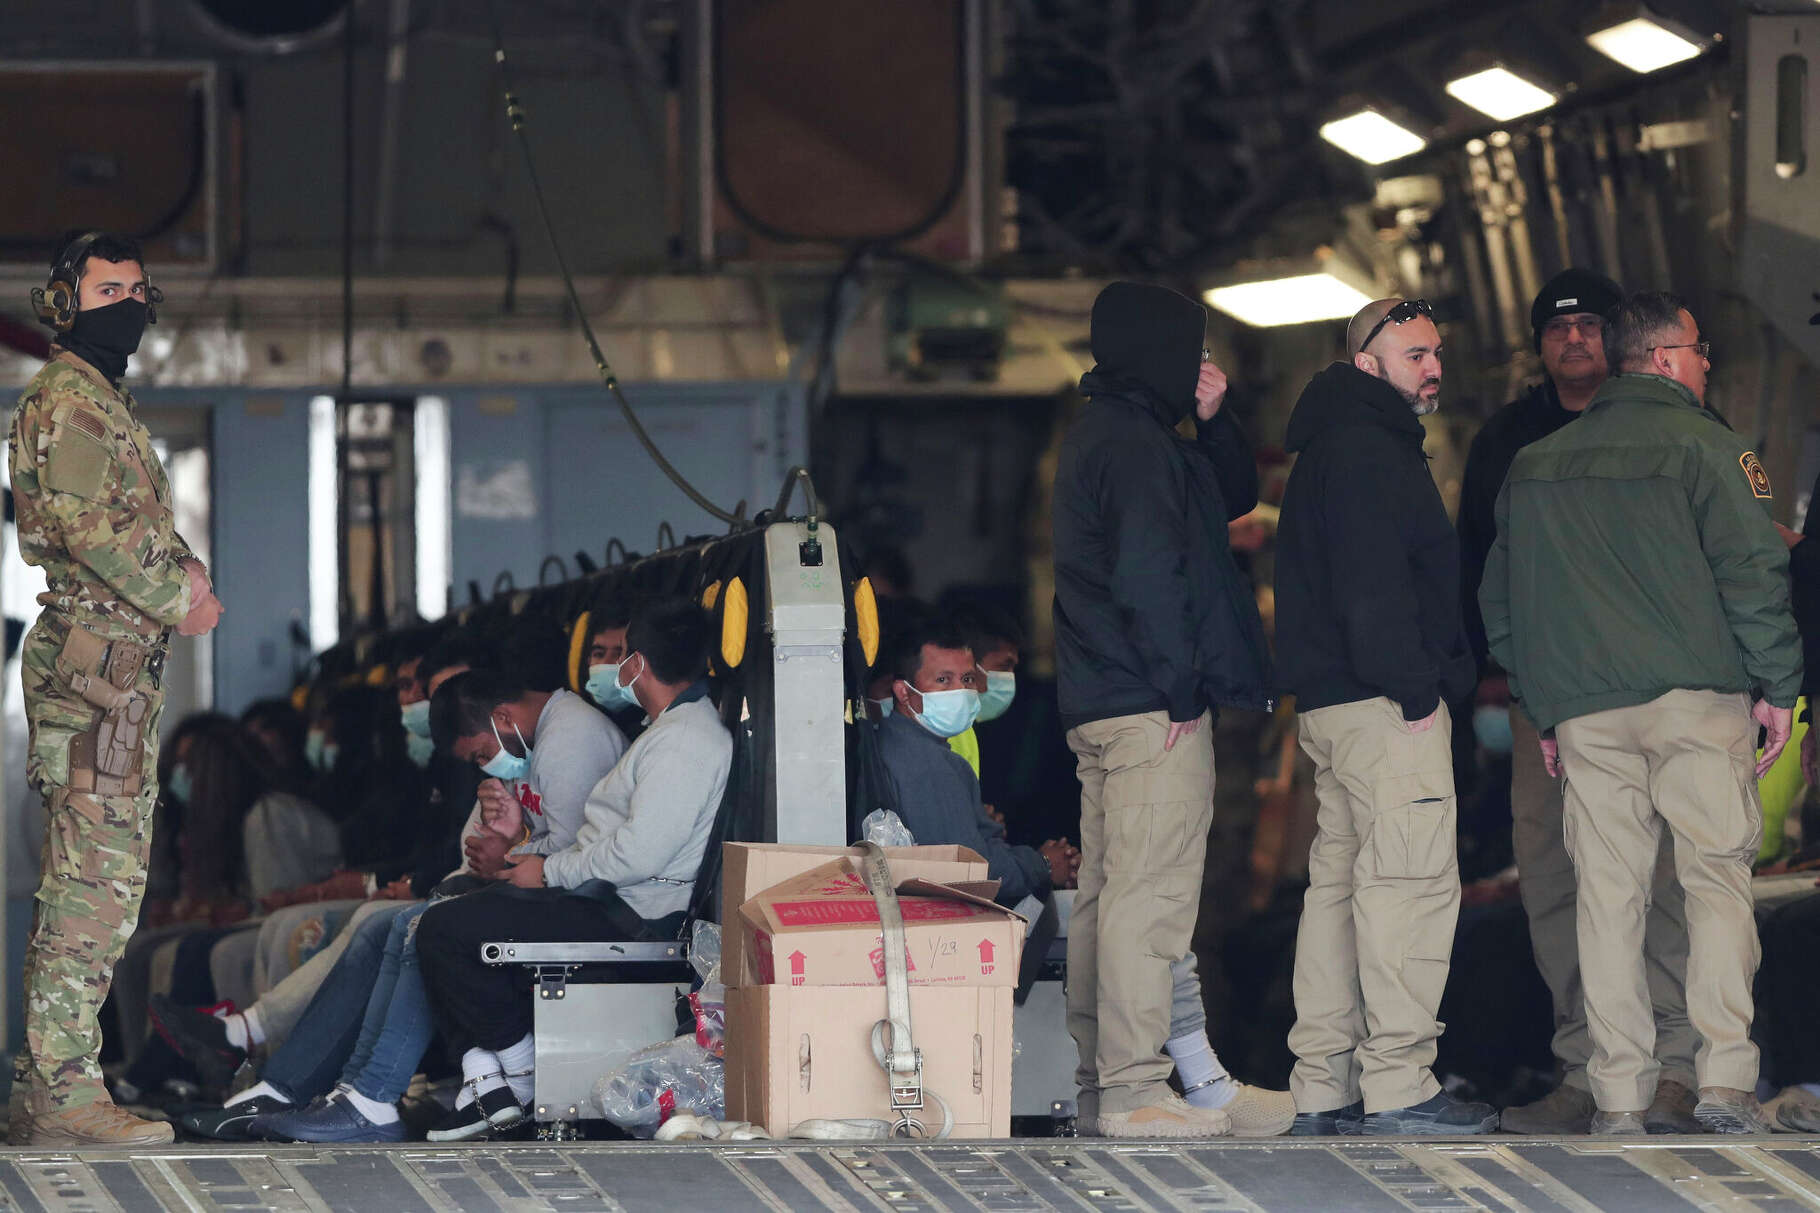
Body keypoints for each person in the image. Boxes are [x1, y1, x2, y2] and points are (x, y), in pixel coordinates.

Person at [1481, 290, 1802, 1134]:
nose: (1706, 363)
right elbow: (1754, 576)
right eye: (1699, 349)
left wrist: (1544, 706)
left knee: (1606, 897)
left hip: (1589, 716)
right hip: (1696, 702)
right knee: (1714, 883)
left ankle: (1619, 1094)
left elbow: (1502, 604)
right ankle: (1723, 1078)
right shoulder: (1711, 449)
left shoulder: (1535, 464)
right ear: (1664, 358)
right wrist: (1779, 688)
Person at [1458, 271, 1700, 1135]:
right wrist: (1495, 673)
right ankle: (1587, 1067)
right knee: (1555, 875)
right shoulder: (1507, 441)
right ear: (1538, 344)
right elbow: (1477, 563)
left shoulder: (1675, 423)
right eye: (1557, 328)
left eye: (1590, 324)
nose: (1573, 339)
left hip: (1655, 686)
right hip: (1546, 692)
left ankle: (1673, 1069)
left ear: (1619, 336)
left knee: (1661, 874)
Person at [6, 230, 223, 1146]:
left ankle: (52, 1088)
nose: (127, 305)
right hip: (97, 667)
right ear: (65, 305)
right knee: (91, 886)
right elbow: (90, 527)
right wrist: (182, 594)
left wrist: (185, 568)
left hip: (115, 667)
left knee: (103, 882)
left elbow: (132, 520)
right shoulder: (69, 402)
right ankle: (61, 1094)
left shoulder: (99, 399)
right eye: (107, 291)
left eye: (137, 291)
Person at [1051, 281, 1278, 1139]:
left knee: (1108, 899)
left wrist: (1214, 420)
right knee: (1149, 903)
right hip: (1152, 706)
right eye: (1194, 350)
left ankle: (1100, 1085)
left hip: (1106, 699)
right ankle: (1136, 1089)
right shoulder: (1136, 444)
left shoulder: (1114, 432)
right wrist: (1181, 686)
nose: (1202, 364)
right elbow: (1150, 573)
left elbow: (1226, 498)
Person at [1274, 298, 1492, 1136]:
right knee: (1407, 887)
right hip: (1384, 706)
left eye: (1435, 352)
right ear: (1367, 364)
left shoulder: (1332, 444)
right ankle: (1400, 1083)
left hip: (1335, 706)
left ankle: (1322, 1085)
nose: (1432, 368)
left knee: (1339, 893)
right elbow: (1373, 589)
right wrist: (1417, 689)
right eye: (1413, 356)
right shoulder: (1370, 450)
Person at [414, 597, 734, 1141]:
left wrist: (548, 872)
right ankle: (491, 1081)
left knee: (445, 930)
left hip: (634, 914)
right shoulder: (670, 730)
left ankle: (514, 1077)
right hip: (609, 897)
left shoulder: (686, 741)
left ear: (638, 663)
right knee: (451, 916)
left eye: (622, 653)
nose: (615, 666)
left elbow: (638, 854)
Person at [873, 608, 1075, 905]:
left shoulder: (901, 741)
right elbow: (969, 873)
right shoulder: (930, 765)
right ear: (904, 692)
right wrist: (1042, 864)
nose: (961, 691)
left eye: (967, 679)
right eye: (943, 680)